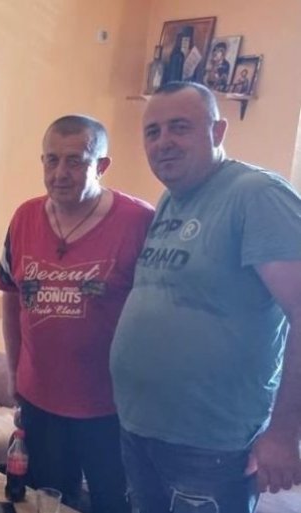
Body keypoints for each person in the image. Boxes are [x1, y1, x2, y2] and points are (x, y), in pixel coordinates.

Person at [111, 81, 301, 513]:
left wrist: (285, 431)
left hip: (211, 445)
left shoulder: (256, 195)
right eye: (153, 131)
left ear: (218, 131)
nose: (164, 142)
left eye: (180, 127)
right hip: (141, 430)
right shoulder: (170, 199)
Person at [0, 115, 153, 513]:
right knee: (44, 502)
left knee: (113, 504)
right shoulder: (24, 217)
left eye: (75, 161)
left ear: (102, 165)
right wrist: (14, 372)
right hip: (40, 401)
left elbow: (157, 314)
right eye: (51, 160)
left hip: (111, 408)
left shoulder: (139, 222)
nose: (59, 173)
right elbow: (11, 295)